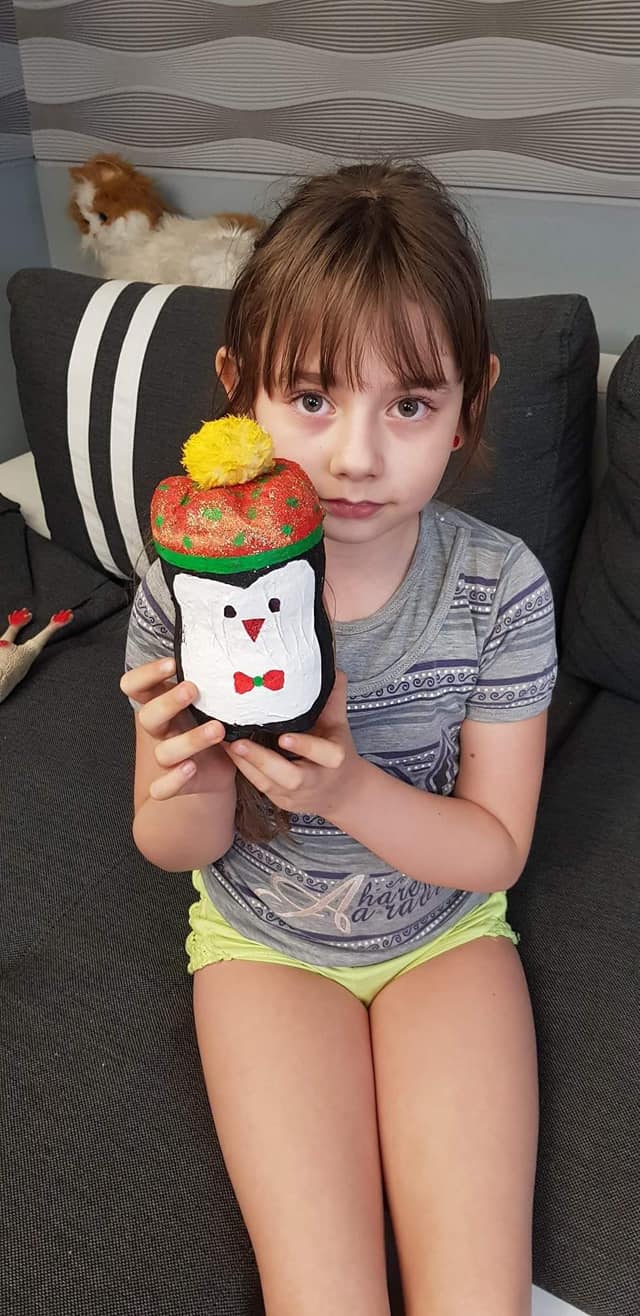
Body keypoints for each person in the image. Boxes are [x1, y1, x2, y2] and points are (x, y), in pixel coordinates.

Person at [121, 161, 557, 1316]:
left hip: (444, 938)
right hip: (262, 947)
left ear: (470, 402)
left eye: (407, 404)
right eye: (311, 396)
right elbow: (171, 845)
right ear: (238, 390)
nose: (355, 455)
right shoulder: (189, 585)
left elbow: (495, 849)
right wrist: (185, 769)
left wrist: (350, 789)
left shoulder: (497, 586)